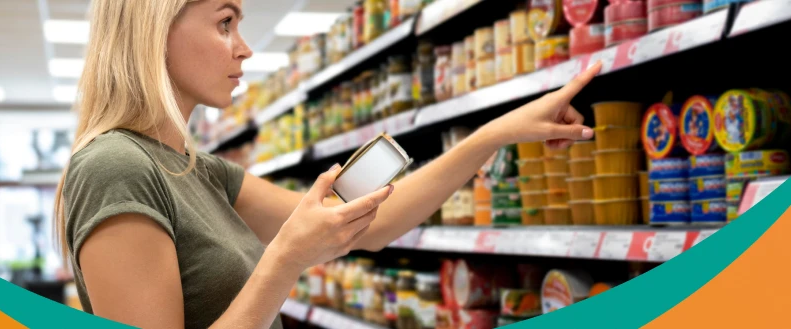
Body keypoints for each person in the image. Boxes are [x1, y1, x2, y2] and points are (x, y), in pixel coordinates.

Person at [53, 0, 600, 328]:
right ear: (155, 28)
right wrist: (286, 258)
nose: (243, 48)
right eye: (225, 23)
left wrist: (497, 133)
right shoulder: (115, 168)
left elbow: (374, 223)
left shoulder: (198, 169)